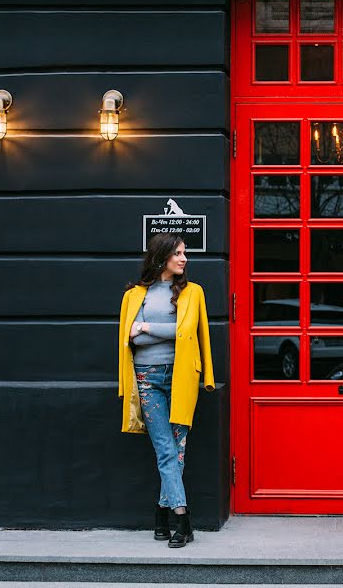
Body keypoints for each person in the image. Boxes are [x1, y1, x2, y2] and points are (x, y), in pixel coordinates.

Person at [118, 233, 215, 548]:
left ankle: (162, 514)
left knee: (178, 449)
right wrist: (163, 334)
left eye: (185, 253)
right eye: (178, 253)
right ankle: (182, 517)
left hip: (182, 377)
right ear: (161, 258)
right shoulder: (134, 295)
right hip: (147, 378)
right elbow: (133, 341)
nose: (184, 259)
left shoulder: (193, 293)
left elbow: (189, 332)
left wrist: (146, 327)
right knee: (166, 449)